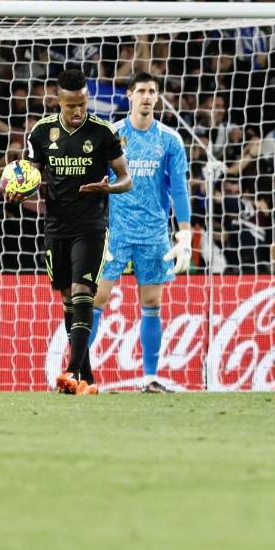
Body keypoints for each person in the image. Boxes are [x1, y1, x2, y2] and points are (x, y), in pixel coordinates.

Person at [15, 68, 131, 395]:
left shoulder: (103, 132)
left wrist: (108, 188)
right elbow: (30, 176)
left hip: (91, 226)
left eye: (82, 103)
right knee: (68, 297)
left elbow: (126, 178)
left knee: (82, 292)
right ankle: (87, 379)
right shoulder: (41, 132)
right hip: (56, 227)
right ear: (58, 101)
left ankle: (71, 370)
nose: (78, 110)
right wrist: (18, 191)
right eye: (71, 105)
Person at [92, 73, 190, 393]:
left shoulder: (170, 140)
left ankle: (149, 378)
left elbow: (179, 189)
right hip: (116, 232)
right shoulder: (112, 135)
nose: (147, 96)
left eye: (152, 91)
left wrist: (185, 235)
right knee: (96, 297)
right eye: (142, 91)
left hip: (153, 233)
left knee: (152, 303)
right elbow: (97, 184)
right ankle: (77, 372)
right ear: (130, 95)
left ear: (157, 97)